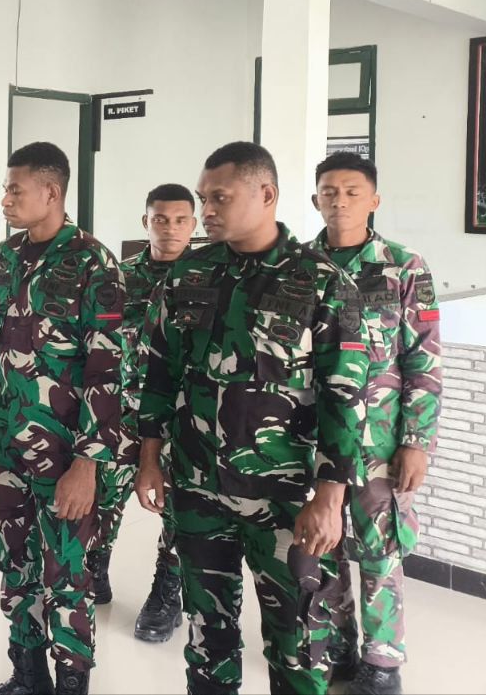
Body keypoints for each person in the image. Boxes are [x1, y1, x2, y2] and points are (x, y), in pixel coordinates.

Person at [135, 141, 368, 695]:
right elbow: (160, 372)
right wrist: (149, 459)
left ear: (267, 195)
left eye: (220, 197)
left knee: (296, 644)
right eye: (203, 198)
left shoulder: (321, 282)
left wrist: (330, 498)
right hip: (198, 486)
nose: (207, 210)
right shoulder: (189, 273)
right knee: (206, 635)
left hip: (286, 498)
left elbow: (344, 398)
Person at [0, 142, 125, 695]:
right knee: (14, 563)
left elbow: (107, 370)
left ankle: (72, 682)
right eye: (6, 189)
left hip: (64, 455)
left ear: (51, 192)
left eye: (15, 189)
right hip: (6, 445)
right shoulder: (5, 257)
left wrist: (88, 464)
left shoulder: (94, 264)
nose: (5, 199)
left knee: (67, 573)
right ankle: (28, 676)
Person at [307, 152, 442, 695]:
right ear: (315, 199)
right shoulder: (297, 267)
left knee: (379, 550)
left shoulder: (404, 268)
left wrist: (417, 441)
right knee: (324, 543)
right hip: (314, 441)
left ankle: (383, 662)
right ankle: (339, 646)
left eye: (352, 192)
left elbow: (424, 359)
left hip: (379, 444)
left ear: (374, 200)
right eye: (329, 192)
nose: (339, 201)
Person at [88, 183, 195, 645]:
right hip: (121, 414)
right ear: (145, 221)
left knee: (177, 508)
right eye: (160, 219)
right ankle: (94, 569)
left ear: (193, 224)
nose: (169, 228)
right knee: (101, 498)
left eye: (180, 220)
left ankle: (166, 593)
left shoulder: (207, 280)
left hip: (180, 418)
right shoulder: (117, 277)